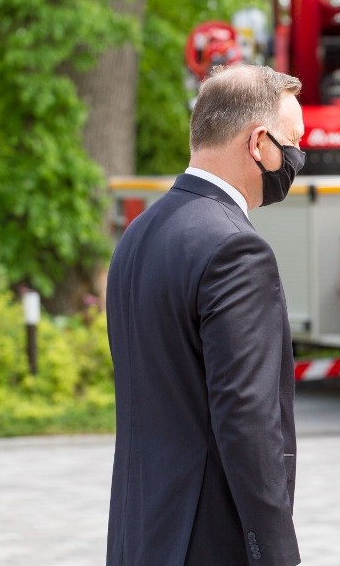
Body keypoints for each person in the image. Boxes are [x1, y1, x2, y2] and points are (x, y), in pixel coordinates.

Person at [106, 64, 304, 565]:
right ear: (259, 142)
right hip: (208, 540)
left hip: (141, 534)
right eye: (294, 143)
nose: (299, 158)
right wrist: (276, 553)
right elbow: (248, 421)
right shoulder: (236, 249)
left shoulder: (139, 233)